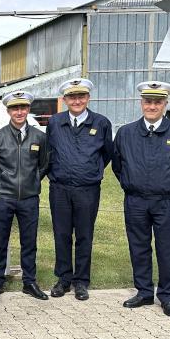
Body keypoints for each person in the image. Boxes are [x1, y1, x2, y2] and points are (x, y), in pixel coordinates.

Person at [112, 81, 170, 317]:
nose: (152, 106)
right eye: (148, 101)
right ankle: (143, 292)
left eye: (157, 102)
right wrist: (132, 184)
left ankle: (168, 297)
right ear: (141, 103)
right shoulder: (126, 133)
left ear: (165, 104)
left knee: (166, 250)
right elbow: (118, 166)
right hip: (136, 201)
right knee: (138, 248)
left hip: (167, 202)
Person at [46, 79, 113, 301]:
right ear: (64, 100)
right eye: (72, 97)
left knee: (84, 235)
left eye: (81, 96)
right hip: (60, 189)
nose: (77, 101)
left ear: (88, 98)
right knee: (62, 235)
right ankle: (64, 279)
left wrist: (89, 171)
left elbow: (106, 154)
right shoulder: (55, 122)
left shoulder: (101, 123)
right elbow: (49, 152)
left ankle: (81, 281)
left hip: (87, 189)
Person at [0, 90, 49, 301]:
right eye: (14, 108)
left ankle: (29, 281)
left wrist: (32, 181)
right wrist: (1, 183)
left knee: (29, 242)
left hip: (29, 198)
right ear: (8, 110)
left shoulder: (40, 137)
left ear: (28, 109)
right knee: (1, 240)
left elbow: (45, 164)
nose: (19, 112)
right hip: (4, 198)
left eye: (22, 107)